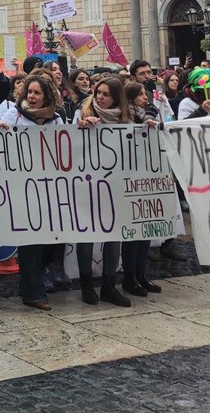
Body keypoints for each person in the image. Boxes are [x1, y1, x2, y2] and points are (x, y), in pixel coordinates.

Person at [0, 70, 65, 311]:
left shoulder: (56, 119)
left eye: (37, 93)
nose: (32, 97)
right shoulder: (14, 115)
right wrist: (0, 131)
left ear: (47, 96)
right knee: (29, 242)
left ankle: (36, 281)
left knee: (45, 240)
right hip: (22, 188)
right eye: (29, 92)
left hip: (48, 188)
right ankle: (32, 291)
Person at [73, 77, 132, 307]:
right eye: (98, 92)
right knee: (86, 237)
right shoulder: (82, 114)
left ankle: (109, 286)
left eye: (106, 94)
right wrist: (81, 127)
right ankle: (86, 285)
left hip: (114, 186)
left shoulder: (125, 120)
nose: (100, 97)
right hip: (87, 187)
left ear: (116, 98)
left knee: (114, 237)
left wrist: (148, 128)